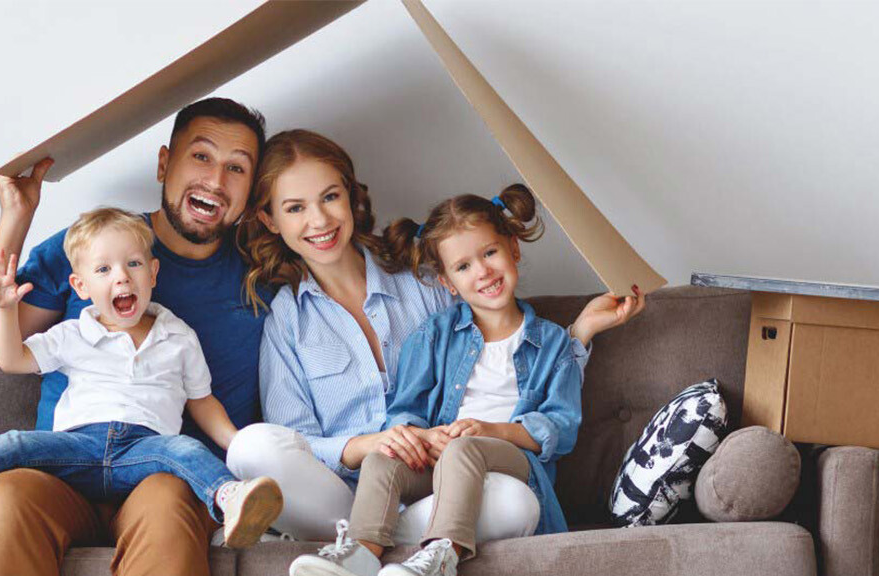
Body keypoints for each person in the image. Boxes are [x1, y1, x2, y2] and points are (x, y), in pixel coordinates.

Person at [0, 98, 266, 576]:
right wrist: (16, 215)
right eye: (201, 156)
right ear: (164, 162)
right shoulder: (99, 247)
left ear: (250, 191)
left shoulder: (262, 269)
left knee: (172, 509)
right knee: (3, 498)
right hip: (62, 467)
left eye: (237, 168)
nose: (215, 179)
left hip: (161, 470)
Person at [226, 130, 643, 542]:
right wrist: (369, 445)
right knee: (250, 447)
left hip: (435, 490)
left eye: (330, 197)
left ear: (352, 197)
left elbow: (505, 348)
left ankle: (361, 550)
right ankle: (370, 537)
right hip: (336, 499)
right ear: (270, 220)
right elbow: (296, 442)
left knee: (515, 502)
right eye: (295, 208)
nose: (319, 220)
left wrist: (580, 334)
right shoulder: (287, 317)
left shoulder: (423, 282)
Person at [0, 208, 282, 547]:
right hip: (76, 447)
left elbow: (201, 400)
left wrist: (237, 442)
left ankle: (233, 499)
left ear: (153, 273)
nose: (122, 278)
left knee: (186, 451)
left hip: (143, 450)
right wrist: (5, 310)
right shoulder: (73, 333)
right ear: (80, 285)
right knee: (4, 445)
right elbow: (11, 360)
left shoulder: (178, 336)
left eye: (133, 264)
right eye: (103, 269)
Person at [290, 183, 581, 576]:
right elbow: (405, 409)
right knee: (385, 456)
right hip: (446, 454)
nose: (482, 272)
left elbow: (560, 427)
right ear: (447, 282)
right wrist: (421, 435)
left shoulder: (552, 342)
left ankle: (441, 560)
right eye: (464, 266)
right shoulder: (433, 336)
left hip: (515, 460)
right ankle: (361, 557)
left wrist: (491, 431)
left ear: (513, 250)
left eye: (490, 254)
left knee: (464, 448)